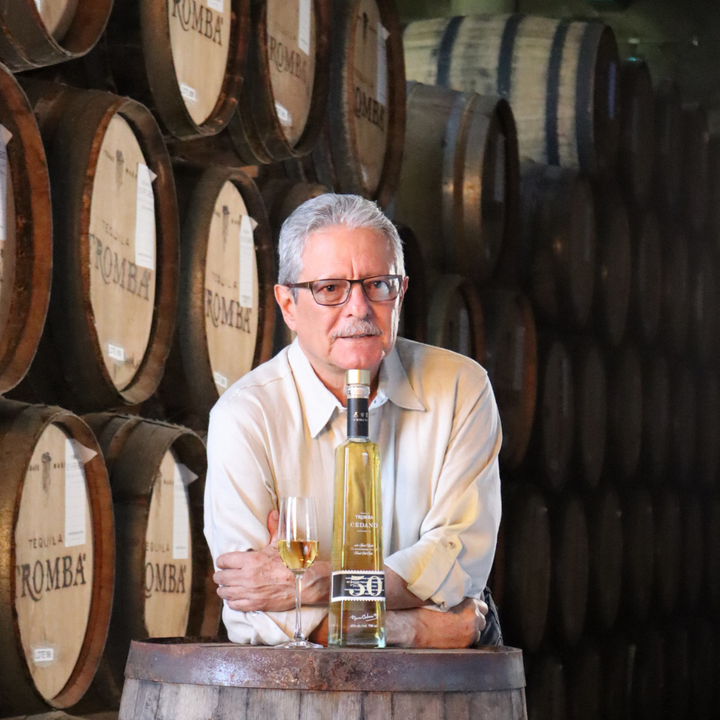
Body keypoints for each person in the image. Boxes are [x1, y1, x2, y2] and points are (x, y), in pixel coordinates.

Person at [205, 194, 502, 647]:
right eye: (330, 289)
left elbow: (459, 564)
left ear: (401, 292)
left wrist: (322, 585)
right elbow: (258, 616)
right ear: (287, 304)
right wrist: (415, 628)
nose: (359, 308)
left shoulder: (462, 389)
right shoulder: (244, 419)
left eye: (378, 284)